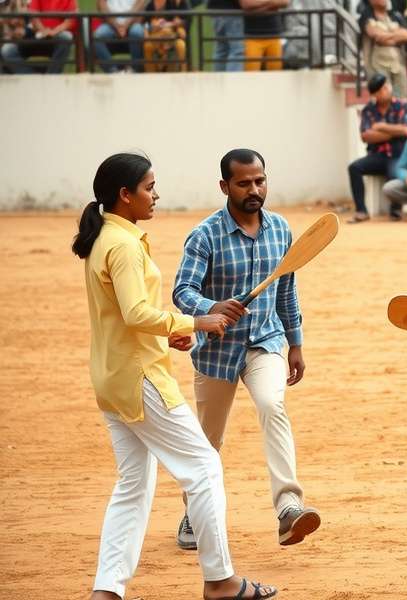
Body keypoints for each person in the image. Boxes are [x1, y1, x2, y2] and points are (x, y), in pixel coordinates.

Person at [73, 153, 278, 600]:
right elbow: (136, 312)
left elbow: (123, 319)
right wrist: (192, 323)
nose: (156, 194)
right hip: (140, 378)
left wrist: (167, 335)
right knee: (204, 467)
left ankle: (106, 590)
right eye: (148, 187)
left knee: (133, 485)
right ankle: (221, 580)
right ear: (125, 195)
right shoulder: (124, 245)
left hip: (112, 375)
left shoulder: (107, 237)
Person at [172, 149, 320, 551]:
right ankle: (193, 512)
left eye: (260, 180)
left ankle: (289, 507)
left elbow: (286, 291)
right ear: (225, 186)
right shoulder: (204, 235)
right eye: (244, 183)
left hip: (265, 341)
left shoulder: (281, 230)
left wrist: (296, 343)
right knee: (208, 441)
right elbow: (182, 292)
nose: (255, 189)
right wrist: (212, 307)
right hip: (216, 350)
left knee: (273, 405)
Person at [348, 73, 407, 223]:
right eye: (383, 88)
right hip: (376, 155)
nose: (387, 89)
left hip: (398, 154)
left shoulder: (402, 105)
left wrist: (382, 127)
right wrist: (394, 132)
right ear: (375, 94)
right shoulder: (368, 110)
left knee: (395, 172)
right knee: (354, 168)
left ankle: (395, 211)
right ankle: (361, 211)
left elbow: (406, 130)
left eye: (387, 86)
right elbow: (366, 136)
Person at [0, 0, 76, 74]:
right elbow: (34, 16)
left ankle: (52, 78)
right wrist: (43, 30)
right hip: (35, 35)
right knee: (6, 50)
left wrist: (54, 31)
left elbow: (70, 20)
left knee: (66, 37)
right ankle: (32, 79)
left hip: (56, 35)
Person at [360, 0, 407, 99]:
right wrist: (396, 35)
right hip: (378, 67)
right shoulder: (367, 15)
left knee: (399, 99)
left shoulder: (396, 15)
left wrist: (387, 36)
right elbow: (375, 34)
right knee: (383, 99)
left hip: (397, 66)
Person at [94, 0, 147, 73]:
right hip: (111, 23)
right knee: (98, 36)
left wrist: (126, 24)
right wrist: (116, 25)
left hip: (133, 22)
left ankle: (135, 70)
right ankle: (113, 71)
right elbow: (101, 4)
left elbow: (140, 3)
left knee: (136, 33)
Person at [241, 0, 287, 71]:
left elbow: (285, 2)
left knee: (276, 74)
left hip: (274, 35)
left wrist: (257, 8)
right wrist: (272, 4)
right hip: (251, 37)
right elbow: (247, 4)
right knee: (251, 76)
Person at [143, 0, 188, 72]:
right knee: (147, 45)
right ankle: (151, 74)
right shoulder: (150, 5)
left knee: (181, 45)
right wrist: (152, 26)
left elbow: (177, 21)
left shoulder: (172, 4)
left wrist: (172, 24)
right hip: (156, 36)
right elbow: (146, 23)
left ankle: (184, 72)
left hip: (171, 35)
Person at [208, 0, 244, 72]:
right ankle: (233, 82)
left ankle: (218, 81)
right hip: (232, 10)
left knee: (222, 51)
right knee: (237, 51)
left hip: (216, 9)